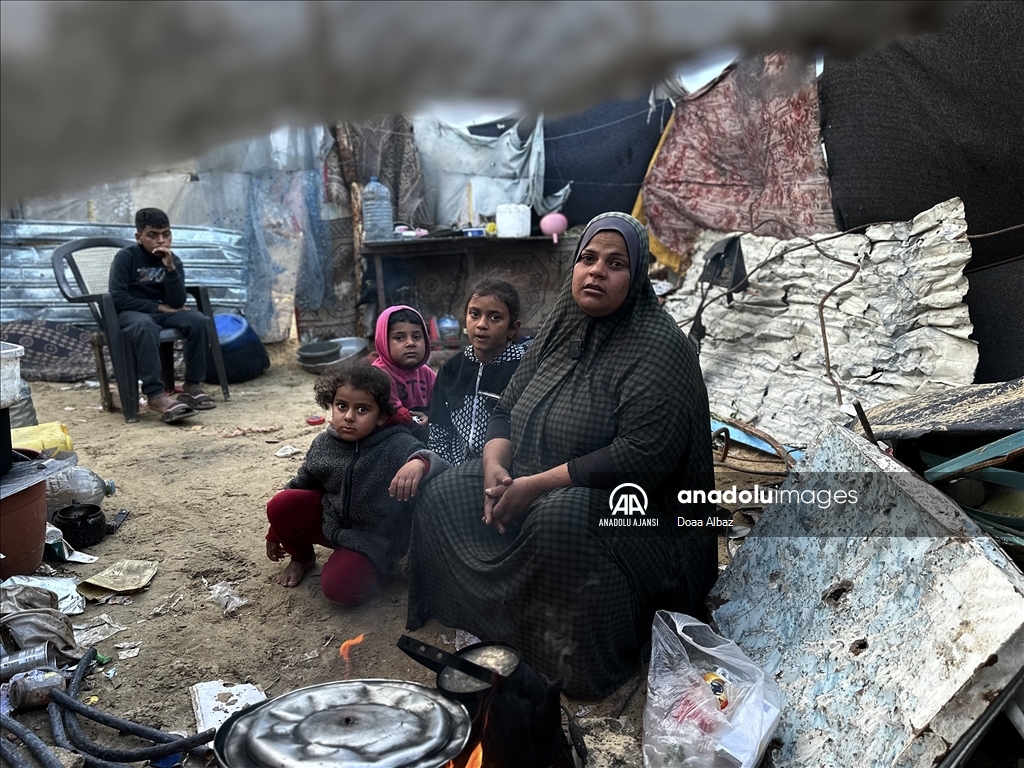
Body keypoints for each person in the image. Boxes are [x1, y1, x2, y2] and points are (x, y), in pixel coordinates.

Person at [407, 212, 716, 697]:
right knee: (445, 492)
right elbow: (506, 411)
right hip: (533, 476)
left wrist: (534, 486)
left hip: (643, 514)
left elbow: (643, 456)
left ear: (635, 278)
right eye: (588, 258)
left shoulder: (661, 348)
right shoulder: (561, 322)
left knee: (561, 520)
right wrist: (496, 470)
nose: (596, 271)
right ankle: (491, 624)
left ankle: (574, 664)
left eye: (615, 264)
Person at [265, 361, 448, 605]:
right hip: (333, 523)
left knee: (340, 590)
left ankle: (368, 568)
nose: (349, 417)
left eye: (362, 410)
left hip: (374, 540)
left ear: (381, 416)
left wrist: (418, 463)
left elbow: (436, 462)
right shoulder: (325, 444)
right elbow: (303, 483)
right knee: (282, 504)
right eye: (342, 406)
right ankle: (302, 557)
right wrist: (276, 529)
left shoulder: (396, 444)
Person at [109, 208, 217, 423]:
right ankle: (155, 394)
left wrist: (170, 269)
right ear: (139, 237)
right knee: (145, 326)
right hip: (133, 314)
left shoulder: (172, 259)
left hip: (165, 313)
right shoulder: (125, 258)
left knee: (199, 321)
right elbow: (118, 297)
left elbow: (177, 302)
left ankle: (192, 384)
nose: (161, 240)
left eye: (166, 234)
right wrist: (158, 308)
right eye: (153, 235)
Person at [428, 280, 525, 465]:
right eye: (474, 314)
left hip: (505, 467)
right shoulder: (451, 369)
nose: (481, 324)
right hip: (455, 468)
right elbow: (439, 430)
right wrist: (444, 471)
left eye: (495, 317)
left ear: (513, 328)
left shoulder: (523, 368)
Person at [371, 304, 436, 433]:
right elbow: (391, 416)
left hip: (421, 427)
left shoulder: (426, 373)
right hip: (392, 432)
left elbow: (441, 404)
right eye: (399, 338)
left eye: (417, 337)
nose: (410, 343)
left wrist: (431, 417)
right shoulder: (378, 376)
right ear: (383, 341)